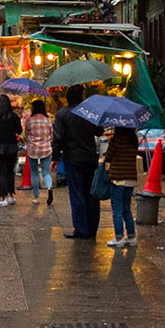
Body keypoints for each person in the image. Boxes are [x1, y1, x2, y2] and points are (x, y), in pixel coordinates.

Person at [54, 85, 102, 239]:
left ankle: (81, 228)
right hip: (90, 157)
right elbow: (99, 131)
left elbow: (58, 137)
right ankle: (92, 227)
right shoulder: (88, 112)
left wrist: (55, 157)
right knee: (91, 193)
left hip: (72, 158)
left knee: (77, 193)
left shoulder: (62, 113)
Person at [103, 124, 141, 247]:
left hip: (118, 178)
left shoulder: (116, 139)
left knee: (117, 209)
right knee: (127, 208)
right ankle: (131, 236)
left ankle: (119, 238)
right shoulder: (133, 139)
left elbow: (108, 157)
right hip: (130, 178)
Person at [23, 98, 55, 206]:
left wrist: (30, 141)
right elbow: (51, 135)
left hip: (33, 150)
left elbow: (26, 135)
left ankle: (36, 196)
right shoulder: (47, 120)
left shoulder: (29, 121)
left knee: (34, 173)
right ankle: (49, 187)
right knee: (46, 172)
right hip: (46, 149)